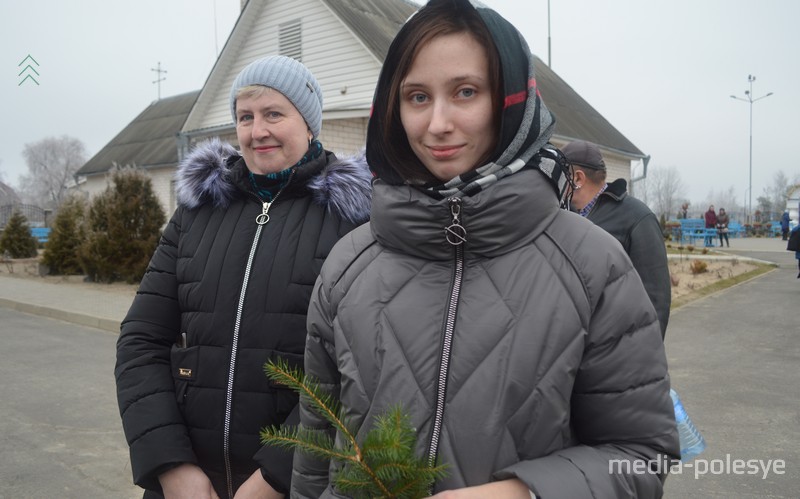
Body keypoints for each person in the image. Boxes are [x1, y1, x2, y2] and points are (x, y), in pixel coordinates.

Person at [290, 1, 678, 497]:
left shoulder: (593, 266)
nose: (438, 124)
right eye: (416, 97)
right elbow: (315, 451)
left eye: (466, 92)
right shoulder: (348, 263)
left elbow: (640, 455)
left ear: (511, 101)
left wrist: (524, 492)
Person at [115, 56, 372, 499]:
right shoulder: (195, 214)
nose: (257, 131)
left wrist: (275, 477)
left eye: (274, 113)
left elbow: (359, 367)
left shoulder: (351, 221)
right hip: (187, 482)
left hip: (295, 485)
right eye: (245, 117)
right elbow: (140, 340)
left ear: (309, 123)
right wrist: (170, 464)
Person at [562, 140, 671, 338]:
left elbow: (655, 298)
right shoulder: (566, 217)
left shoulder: (637, 218)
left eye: (561, 175)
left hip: (618, 352)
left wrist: (644, 357)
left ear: (578, 178)